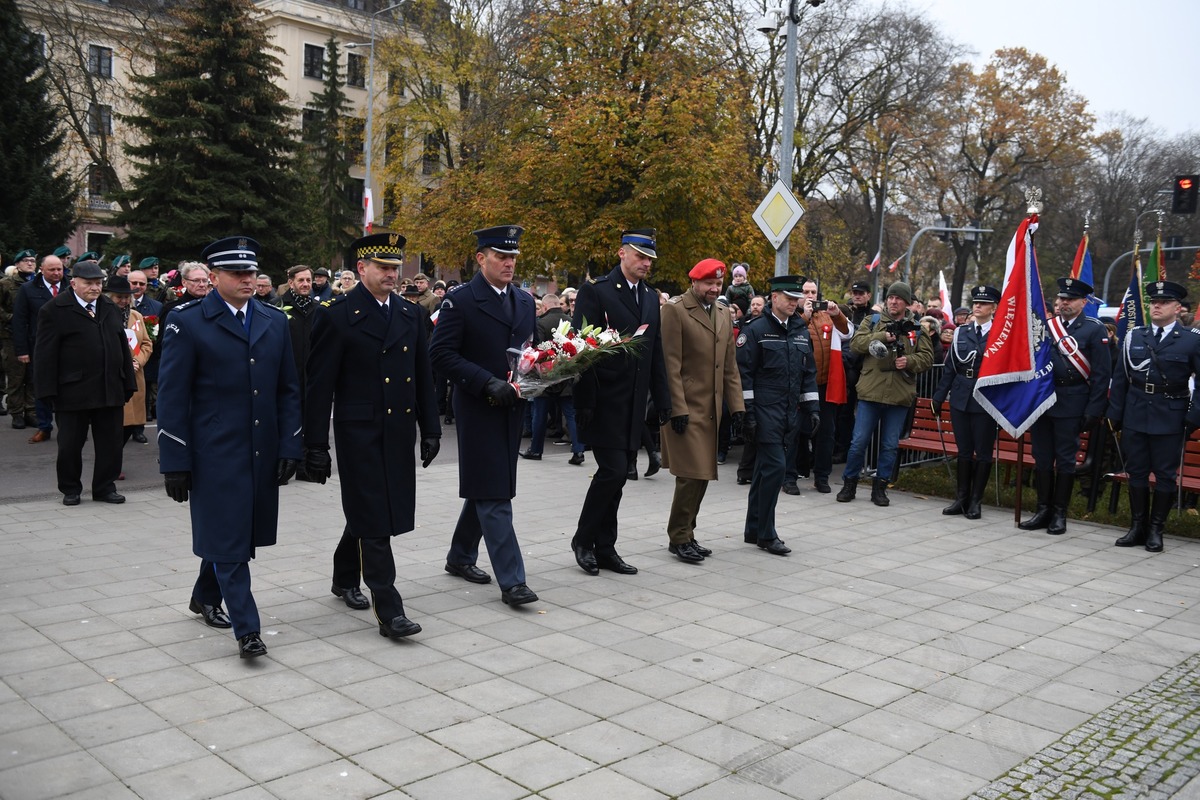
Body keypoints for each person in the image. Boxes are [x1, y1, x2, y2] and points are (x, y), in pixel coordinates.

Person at [157, 237, 301, 660]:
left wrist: (289, 445)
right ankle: (248, 629)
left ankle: (204, 595)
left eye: (251, 272)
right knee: (231, 539)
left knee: (234, 534)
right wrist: (175, 460)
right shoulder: (189, 321)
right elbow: (171, 395)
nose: (247, 279)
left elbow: (288, 389)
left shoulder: (274, 320)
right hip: (213, 453)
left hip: (260, 449)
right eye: (237, 273)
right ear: (214, 276)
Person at [305, 233, 441, 637]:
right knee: (374, 515)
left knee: (374, 511)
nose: (391, 274)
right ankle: (389, 607)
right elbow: (319, 386)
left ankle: (344, 576)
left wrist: (430, 428)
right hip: (358, 431)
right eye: (383, 267)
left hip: (397, 429)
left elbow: (423, 377)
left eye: (395, 267)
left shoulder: (410, 314)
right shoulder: (336, 314)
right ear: (361, 269)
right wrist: (314, 444)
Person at [429, 225, 539, 606]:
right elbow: (440, 354)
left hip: (514, 405)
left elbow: (530, 349)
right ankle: (513, 581)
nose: (509, 263)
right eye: (501, 257)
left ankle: (460, 556)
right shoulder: (459, 301)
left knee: (489, 483)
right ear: (481, 258)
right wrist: (484, 381)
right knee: (495, 493)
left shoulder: (524, 301)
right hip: (478, 407)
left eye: (513, 258)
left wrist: (545, 369)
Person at [569, 228, 670, 576]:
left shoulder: (649, 296)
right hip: (602, 399)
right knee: (612, 472)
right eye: (640, 257)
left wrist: (664, 398)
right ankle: (584, 540)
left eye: (650, 260)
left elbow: (655, 352)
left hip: (634, 404)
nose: (645, 264)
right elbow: (579, 349)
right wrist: (583, 401)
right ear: (621, 253)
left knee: (621, 476)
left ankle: (606, 547)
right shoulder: (595, 291)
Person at [1105, 280, 1200, 552]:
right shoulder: (1136, 336)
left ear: (1177, 307)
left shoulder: (1192, 340)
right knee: (1135, 472)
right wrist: (1116, 413)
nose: (1156, 306)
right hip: (1136, 412)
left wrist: (1195, 416)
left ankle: (1157, 530)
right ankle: (1137, 527)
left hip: (1171, 415)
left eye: (1164, 302)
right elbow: (1121, 378)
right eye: (1153, 302)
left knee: (1165, 475)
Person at [660, 259, 744, 563]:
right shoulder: (675, 309)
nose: (714, 289)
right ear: (694, 282)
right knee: (690, 474)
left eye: (718, 284)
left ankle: (688, 532)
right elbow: (670, 364)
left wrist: (738, 409)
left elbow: (730, 367)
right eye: (709, 283)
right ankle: (678, 537)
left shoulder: (723, 312)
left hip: (712, 408)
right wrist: (676, 408)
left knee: (703, 473)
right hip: (686, 407)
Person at [33, 260, 136, 506]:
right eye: (89, 283)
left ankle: (104, 487)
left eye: (98, 283)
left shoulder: (109, 307)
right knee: (70, 444)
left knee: (110, 443)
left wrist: (128, 383)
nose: (95, 288)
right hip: (72, 390)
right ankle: (70, 488)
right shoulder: (54, 309)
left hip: (109, 387)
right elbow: (45, 354)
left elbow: (121, 345)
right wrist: (46, 392)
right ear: (74, 283)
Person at [1018, 277, 1111, 535]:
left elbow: (1101, 375)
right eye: (1060, 299)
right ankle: (1042, 509)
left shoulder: (1094, 329)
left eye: (1069, 299)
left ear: (1083, 302)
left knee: (1066, 460)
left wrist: (1094, 410)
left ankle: (1060, 513)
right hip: (1044, 400)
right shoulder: (1048, 326)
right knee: (1042, 458)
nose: (1063, 303)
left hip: (1073, 402)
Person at [736, 275, 817, 555]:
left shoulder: (800, 331)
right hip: (764, 411)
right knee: (775, 468)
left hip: (789, 412)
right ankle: (767, 534)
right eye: (790, 298)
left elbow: (808, 374)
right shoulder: (756, 330)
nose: (795, 303)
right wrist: (748, 414)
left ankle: (753, 528)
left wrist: (813, 408)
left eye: (797, 299)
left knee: (763, 470)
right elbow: (743, 376)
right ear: (774, 298)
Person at [837, 281, 934, 506]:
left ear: (907, 302)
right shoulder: (873, 321)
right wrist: (881, 337)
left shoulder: (917, 327)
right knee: (859, 441)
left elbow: (928, 358)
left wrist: (908, 361)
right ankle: (849, 483)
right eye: (890, 298)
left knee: (890, 444)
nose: (893, 301)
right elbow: (856, 345)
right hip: (871, 391)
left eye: (898, 298)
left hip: (899, 394)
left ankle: (880, 488)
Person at [932, 285, 1000, 519]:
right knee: (963, 451)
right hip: (961, 396)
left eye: (983, 303)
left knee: (982, 453)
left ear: (994, 307)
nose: (977, 306)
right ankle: (961, 498)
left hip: (986, 398)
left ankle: (975, 501)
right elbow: (950, 368)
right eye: (975, 303)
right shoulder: (962, 332)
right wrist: (939, 396)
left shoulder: (1000, 334)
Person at [785, 278, 850, 494]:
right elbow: (791, 335)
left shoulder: (825, 315)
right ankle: (789, 477)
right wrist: (804, 315)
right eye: (805, 292)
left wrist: (836, 313)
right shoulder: (792, 315)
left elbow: (847, 332)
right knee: (794, 431)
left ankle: (821, 477)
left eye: (813, 292)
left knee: (826, 432)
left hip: (823, 384)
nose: (810, 296)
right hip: (799, 384)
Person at [13, 254, 65, 443]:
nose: (57, 273)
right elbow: (20, 321)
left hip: (69, 347)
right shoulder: (28, 289)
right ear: (41, 270)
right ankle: (44, 427)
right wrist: (22, 350)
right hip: (40, 347)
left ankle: (69, 428)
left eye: (59, 269)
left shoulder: (72, 287)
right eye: (52, 269)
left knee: (68, 388)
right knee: (41, 387)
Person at [102, 275, 154, 447]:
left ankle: (115, 459)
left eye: (126, 297)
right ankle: (111, 464)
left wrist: (138, 361)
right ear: (110, 297)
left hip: (135, 375)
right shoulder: (101, 316)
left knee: (130, 425)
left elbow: (146, 343)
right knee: (112, 425)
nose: (123, 301)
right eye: (119, 297)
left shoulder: (136, 316)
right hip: (113, 376)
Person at [1, 249, 37, 427]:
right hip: (11, 335)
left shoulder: (38, 283)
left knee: (32, 375)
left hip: (33, 335)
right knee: (16, 375)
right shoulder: (6, 283)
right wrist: (11, 318)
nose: (30, 263)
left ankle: (31, 410)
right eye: (25, 261)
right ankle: (16, 412)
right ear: (17, 264)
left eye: (32, 261)